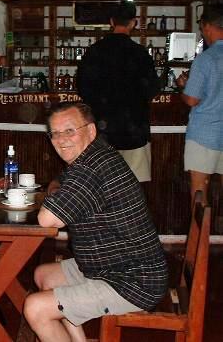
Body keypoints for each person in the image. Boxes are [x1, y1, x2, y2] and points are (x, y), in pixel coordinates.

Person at [24, 102, 167, 342]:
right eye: (55, 133)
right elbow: (59, 181)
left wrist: (56, 196)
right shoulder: (95, 155)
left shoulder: (91, 167)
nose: (61, 140)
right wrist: (58, 192)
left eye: (69, 131)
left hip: (134, 281)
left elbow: (48, 218)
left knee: (35, 308)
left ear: (90, 131)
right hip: (113, 266)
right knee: (44, 276)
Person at [77, 1, 161, 182]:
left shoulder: (94, 52)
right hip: (134, 131)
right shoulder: (140, 54)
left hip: (102, 132)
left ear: (111, 22)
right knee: (134, 186)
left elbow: (83, 90)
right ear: (133, 23)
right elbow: (153, 89)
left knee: (102, 184)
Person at [176, 3, 223, 205]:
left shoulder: (205, 59)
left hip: (204, 135)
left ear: (208, 26)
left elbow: (192, 99)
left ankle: (201, 228)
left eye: (202, 28)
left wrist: (183, 87)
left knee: (199, 196)